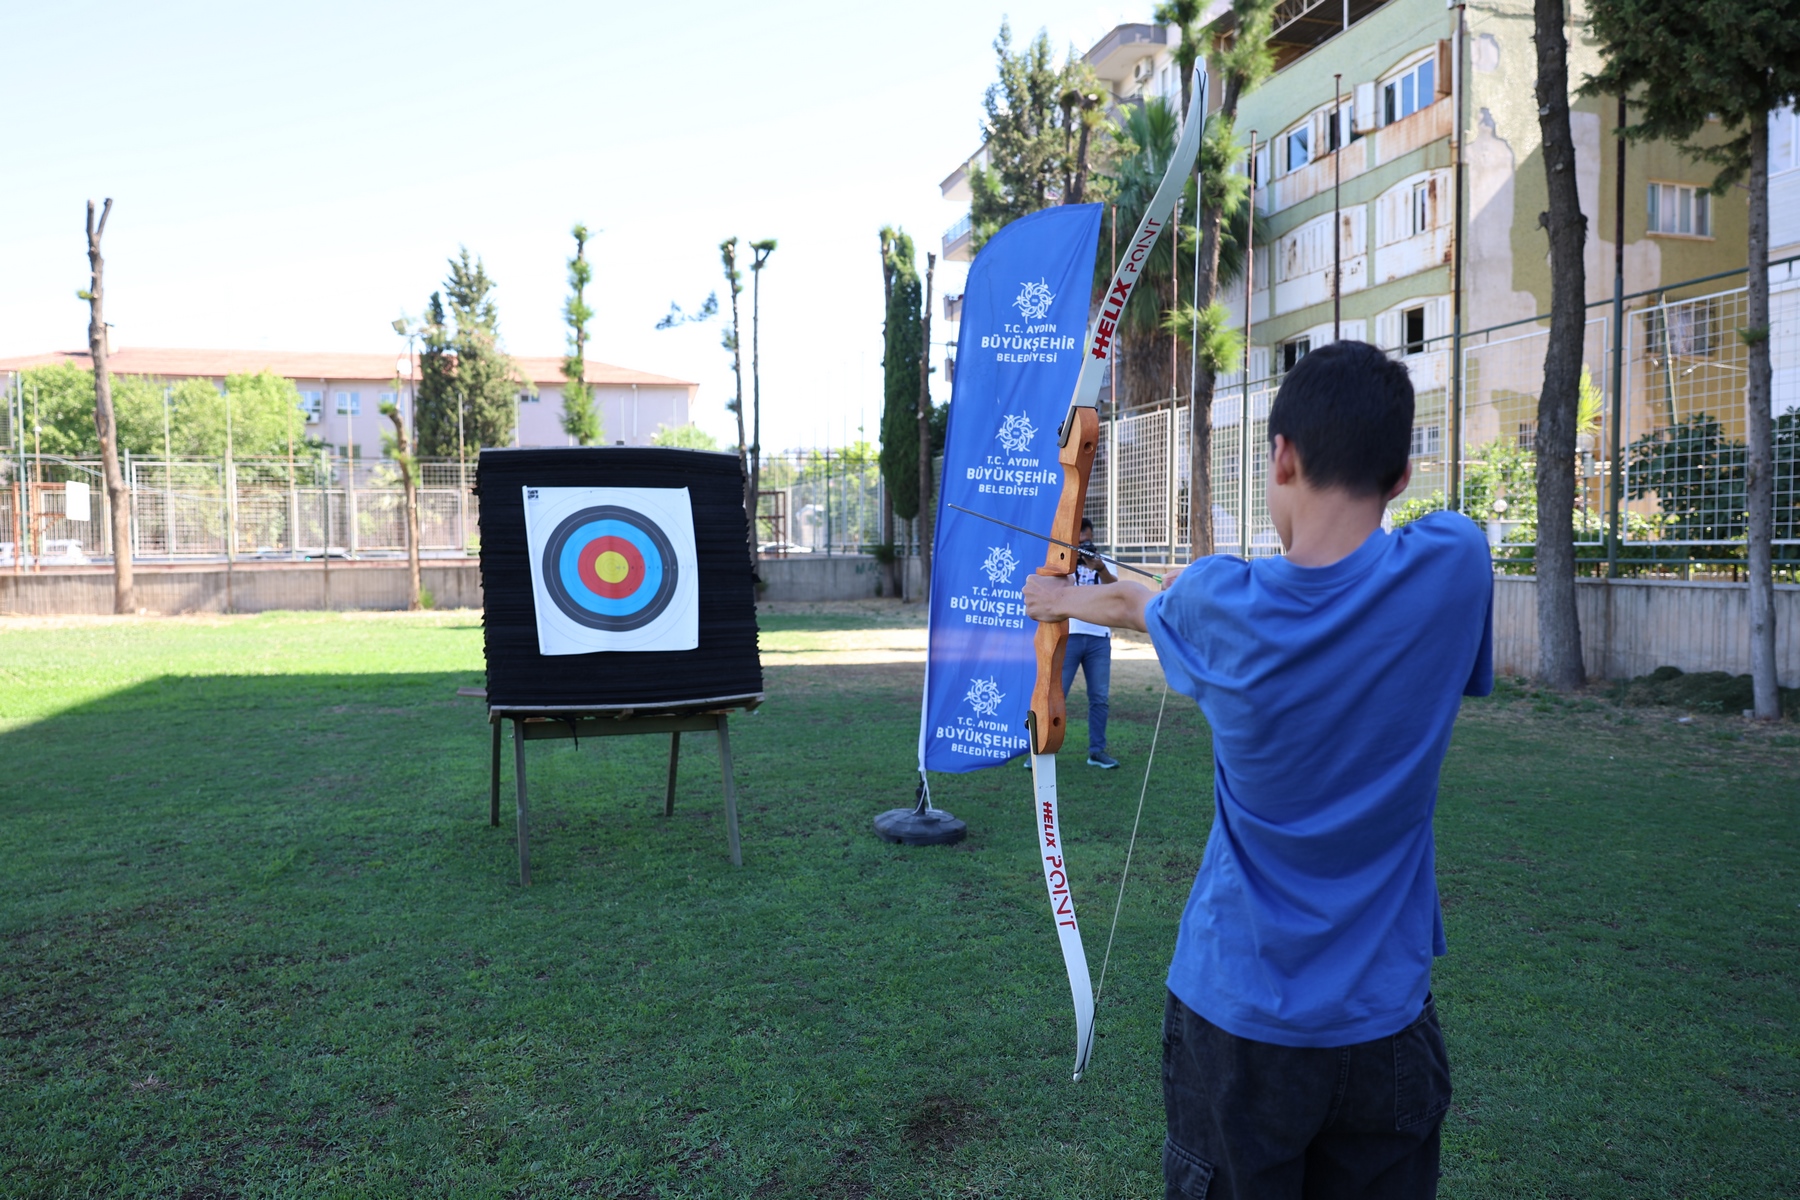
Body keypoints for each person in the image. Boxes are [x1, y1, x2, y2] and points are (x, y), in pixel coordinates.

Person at [1023, 340, 1492, 1200]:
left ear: (1281, 454)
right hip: (1387, 1023)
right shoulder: (1458, 567)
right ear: (1399, 477)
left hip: (1240, 1025)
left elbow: (1140, 602)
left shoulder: (1216, 606)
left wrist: (1056, 597)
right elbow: (1168, 597)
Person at [1065, 516, 1119, 769]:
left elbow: (1116, 592)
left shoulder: (1104, 561)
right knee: (1056, 694)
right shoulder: (1063, 562)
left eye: (1087, 541)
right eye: (1079, 542)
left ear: (1092, 538)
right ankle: (1041, 751)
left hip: (1099, 637)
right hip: (1069, 635)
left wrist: (1099, 568)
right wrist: (1070, 563)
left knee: (1099, 697)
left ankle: (1097, 751)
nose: (1083, 547)